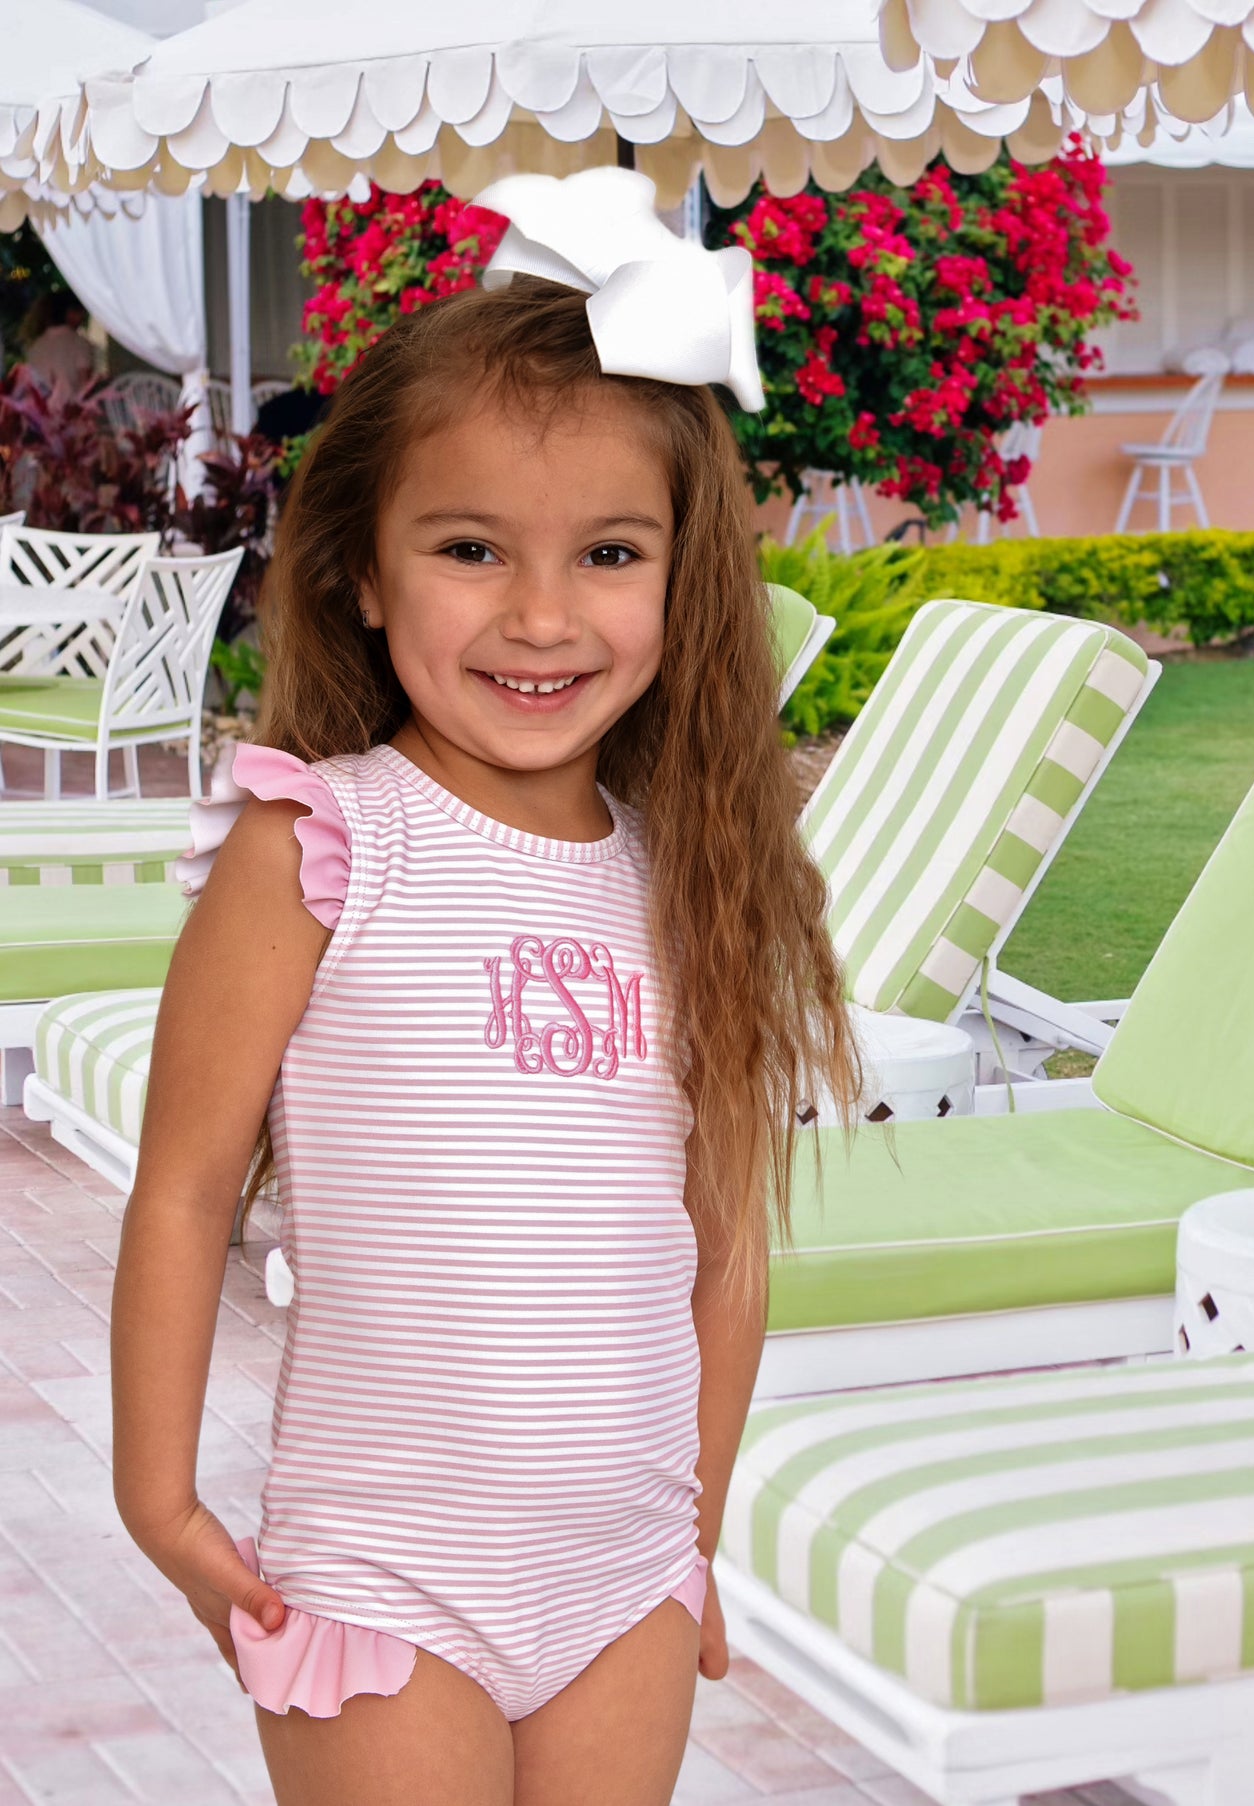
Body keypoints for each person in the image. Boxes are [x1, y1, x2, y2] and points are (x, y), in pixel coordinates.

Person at [109, 168, 860, 1806]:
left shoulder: (694, 879)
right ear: (364, 571)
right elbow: (175, 1190)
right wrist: (153, 1495)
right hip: (384, 1575)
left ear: (683, 580)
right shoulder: (317, 845)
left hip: (622, 1579)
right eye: (469, 547)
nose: (539, 614)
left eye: (606, 552)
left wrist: (695, 1535)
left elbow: (725, 1248)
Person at [21, 288, 94, 399]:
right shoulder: (80, 343)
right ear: (70, 312)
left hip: (38, 412)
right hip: (69, 412)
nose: (83, 317)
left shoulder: (35, 344)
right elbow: (86, 388)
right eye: (81, 312)